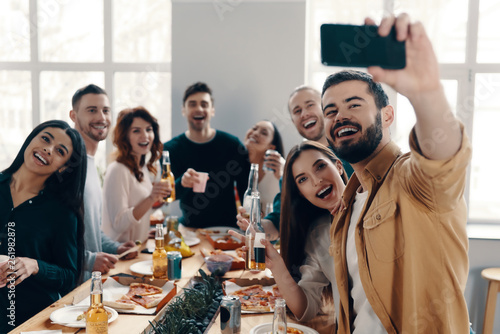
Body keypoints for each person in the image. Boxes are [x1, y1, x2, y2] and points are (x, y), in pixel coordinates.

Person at [322, 15, 471, 333]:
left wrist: (426, 93)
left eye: (354, 104)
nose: (340, 115)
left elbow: (444, 160)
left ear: (386, 115)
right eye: (330, 111)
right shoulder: (347, 208)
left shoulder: (414, 179)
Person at [231, 141, 347, 324]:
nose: (317, 181)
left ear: (339, 166)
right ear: (300, 192)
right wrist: (276, 264)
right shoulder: (319, 234)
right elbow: (305, 309)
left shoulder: (372, 206)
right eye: (303, 179)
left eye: (320, 167)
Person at [0, 120, 86, 332]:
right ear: (31, 139)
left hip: (32, 322)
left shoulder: (62, 212)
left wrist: (35, 265)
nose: (48, 149)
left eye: (60, 151)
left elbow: (69, 275)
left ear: (64, 166)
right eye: (45, 139)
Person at [70, 84, 138, 282]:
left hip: (92, 285)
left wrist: (114, 247)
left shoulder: (91, 163)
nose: (101, 117)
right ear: (73, 116)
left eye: (106, 110)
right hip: (69, 291)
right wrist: (88, 260)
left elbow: (88, 228)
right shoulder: (68, 165)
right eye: (92, 110)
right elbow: (47, 235)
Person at [163, 82, 250, 228]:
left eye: (204, 104)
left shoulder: (232, 145)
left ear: (212, 110)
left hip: (227, 230)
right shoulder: (170, 149)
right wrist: (183, 183)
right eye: (192, 104)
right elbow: (167, 196)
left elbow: (246, 189)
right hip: (190, 229)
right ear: (183, 110)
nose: (199, 109)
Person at [102, 107, 171, 242]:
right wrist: (151, 198)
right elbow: (120, 224)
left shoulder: (141, 168)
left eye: (148, 129)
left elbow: (138, 212)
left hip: (137, 250)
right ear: (125, 136)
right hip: (119, 256)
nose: (145, 135)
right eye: (136, 131)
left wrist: (145, 232)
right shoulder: (117, 170)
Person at [243, 120, 285, 210]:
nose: (255, 133)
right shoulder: (235, 164)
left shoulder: (280, 166)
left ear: (271, 147)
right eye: (254, 128)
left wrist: (281, 176)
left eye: (264, 133)